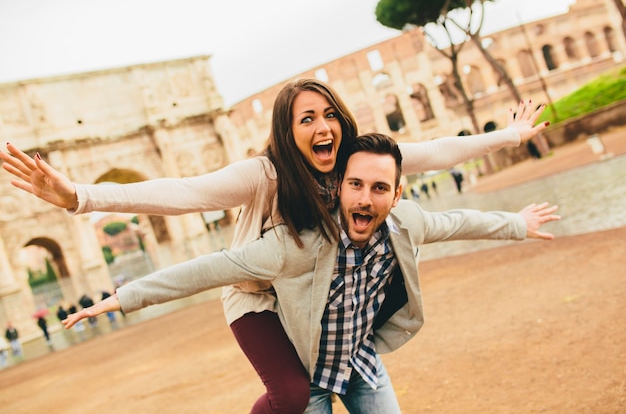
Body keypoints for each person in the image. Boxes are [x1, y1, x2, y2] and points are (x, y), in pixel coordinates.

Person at [1, 79, 549, 414]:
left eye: (329, 113)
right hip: (251, 286)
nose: (323, 125)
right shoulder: (266, 174)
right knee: (291, 395)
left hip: (307, 291)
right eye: (306, 119)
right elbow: (183, 193)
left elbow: (430, 152)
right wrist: (79, 196)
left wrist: (508, 136)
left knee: (329, 364)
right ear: (288, 134)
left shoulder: (359, 161)